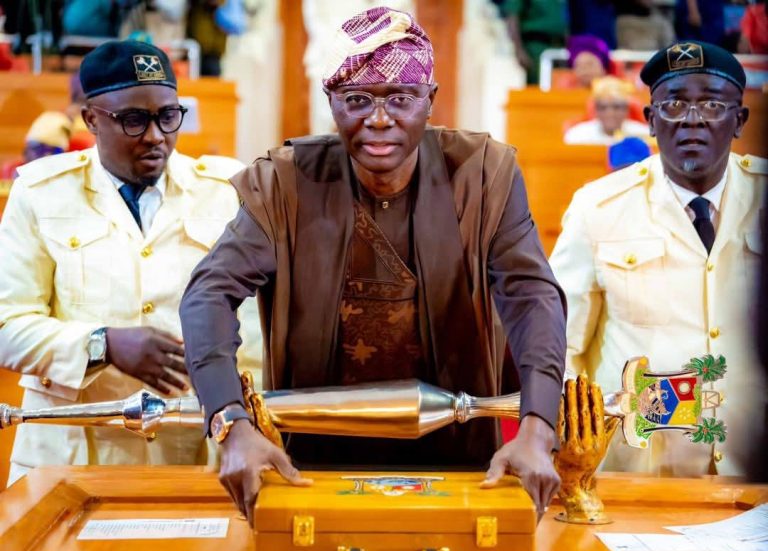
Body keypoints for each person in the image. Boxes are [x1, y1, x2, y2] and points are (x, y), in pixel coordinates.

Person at [180, 6, 566, 524]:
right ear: (331, 102)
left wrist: (538, 427)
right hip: (310, 466)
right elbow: (209, 293)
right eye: (357, 100)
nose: (379, 120)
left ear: (430, 100)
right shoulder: (286, 182)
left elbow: (531, 295)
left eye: (400, 99)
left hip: (464, 464)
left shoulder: (482, 173)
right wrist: (230, 423)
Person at [0, 40, 261, 485]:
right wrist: (102, 345)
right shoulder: (42, 194)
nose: (156, 135)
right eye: (134, 120)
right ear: (91, 119)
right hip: (72, 454)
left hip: (192, 449)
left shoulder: (223, 191)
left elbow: (255, 329)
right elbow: (6, 326)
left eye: (167, 116)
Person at [550, 41, 766, 476]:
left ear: (739, 120)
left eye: (711, 103)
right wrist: (571, 448)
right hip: (636, 475)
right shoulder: (600, 208)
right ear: (649, 120)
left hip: (755, 476)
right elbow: (559, 345)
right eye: (673, 104)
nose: (691, 119)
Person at [564, 76, 650, 145]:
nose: (610, 113)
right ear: (596, 111)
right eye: (603, 107)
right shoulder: (577, 136)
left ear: (626, 110)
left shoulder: (644, 136)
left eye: (617, 107)